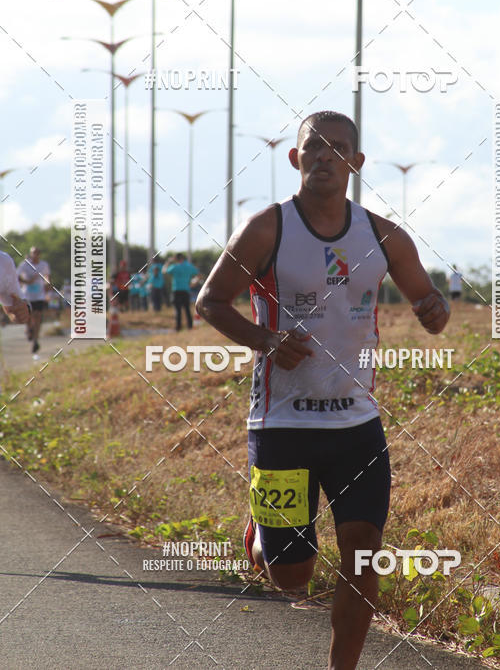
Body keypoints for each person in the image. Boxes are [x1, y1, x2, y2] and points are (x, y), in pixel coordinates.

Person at [196, 111, 450, 670]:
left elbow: (429, 302)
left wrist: (436, 311)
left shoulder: (383, 235)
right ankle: (261, 536)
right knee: (293, 578)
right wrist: (264, 339)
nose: (324, 157)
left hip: (357, 426)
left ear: (355, 164)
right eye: (313, 147)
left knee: (362, 561)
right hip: (282, 424)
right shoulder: (268, 229)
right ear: (295, 159)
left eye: (338, 149)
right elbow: (209, 302)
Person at [16, 246, 51, 354]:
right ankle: (29, 329)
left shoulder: (44, 265)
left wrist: (47, 285)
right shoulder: (25, 264)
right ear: (31, 254)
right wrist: (27, 281)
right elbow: (16, 276)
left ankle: (36, 341)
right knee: (29, 316)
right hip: (27, 295)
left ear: (39, 254)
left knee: (38, 317)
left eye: (37, 253)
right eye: (33, 253)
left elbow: (47, 276)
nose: (35, 255)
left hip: (39, 295)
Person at [165, 253, 198, 331]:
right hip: (186, 290)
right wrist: (194, 283)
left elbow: (165, 271)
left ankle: (178, 327)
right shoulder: (189, 266)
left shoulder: (174, 267)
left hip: (176, 290)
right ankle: (190, 326)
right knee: (187, 309)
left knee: (178, 310)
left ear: (176, 259)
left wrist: (168, 262)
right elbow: (198, 273)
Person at [0, 251, 30, 324]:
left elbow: (12, 306)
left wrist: (20, 312)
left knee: (37, 315)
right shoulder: (22, 266)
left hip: (35, 295)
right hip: (28, 292)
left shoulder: (4, 261)